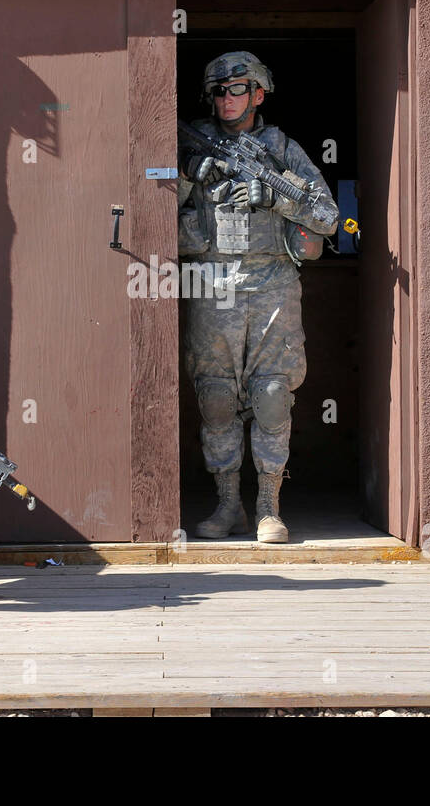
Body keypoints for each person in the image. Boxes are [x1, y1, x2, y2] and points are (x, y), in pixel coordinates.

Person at [177, 51, 339, 543]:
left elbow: (327, 216)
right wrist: (189, 174)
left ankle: (268, 507)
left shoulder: (280, 148)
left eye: (237, 89)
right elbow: (145, 211)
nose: (227, 99)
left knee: (271, 396)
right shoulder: (189, 142)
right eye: (219, 91)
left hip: (272, 285)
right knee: (217, 398)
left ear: (258, 94)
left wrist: (274, 196)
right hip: (211, 284)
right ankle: (228, 506)